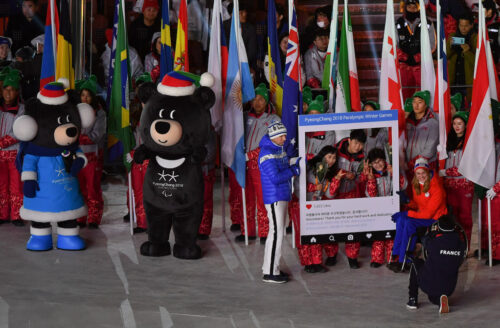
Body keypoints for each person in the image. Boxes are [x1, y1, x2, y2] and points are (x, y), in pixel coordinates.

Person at [234, 84, 280, 243]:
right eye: (254, 99)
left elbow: (273, 144)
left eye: (261, 99)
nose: (257, 102)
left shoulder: (273, 119)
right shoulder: (244, 116)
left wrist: (251, 156)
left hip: (262, 166)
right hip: (243, 165)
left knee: (262, 200)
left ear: (267, 101)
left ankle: (264, 232)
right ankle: (247, 231)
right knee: (245, 199)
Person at [291, 146, 345, 273]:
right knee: (303, 235)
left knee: (316, 234)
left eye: (334, 158)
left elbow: (330, 194)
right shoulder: (308, 167)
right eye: (329, 157)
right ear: (322, 155)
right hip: (299, 205)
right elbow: (297, 187)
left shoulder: (328, 173)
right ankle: (307, 263)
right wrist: (314, 187)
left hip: (316, 206)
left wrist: (336, 180)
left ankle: (317, 262)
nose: (331, 160)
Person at [259, 121, 300, 283]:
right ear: (274, 137)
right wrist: (293, 170)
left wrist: (292, 163)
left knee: (278, 233)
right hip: (275, 198)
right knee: (276, 234)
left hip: (280, 197)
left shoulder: (277, 149)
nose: (285, 138)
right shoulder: (266, 153)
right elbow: (275, 178)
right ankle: (270, 272)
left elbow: (281, 167)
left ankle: (271, 267)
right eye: (282, 136)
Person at [390, 158, 448, 271]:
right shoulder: (416, 184)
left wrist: (407, 212)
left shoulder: (436, 188)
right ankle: (396, 255)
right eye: (418, 173)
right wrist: (407, 201)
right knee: (401, 219)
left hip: (434, 217)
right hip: (423, 215)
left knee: (408, 222)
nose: (421, 176)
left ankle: (406, 258)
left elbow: (428, 214)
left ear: (427, 172)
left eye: (423, 173)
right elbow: (418, 206)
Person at [406, 214, 466, 314]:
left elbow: (424, 239)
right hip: (449, 287)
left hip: (430, 282)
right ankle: (441, 299)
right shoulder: (461, 245)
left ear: (439, 227)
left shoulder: (434, 242)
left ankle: (412, 300)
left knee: (416, 262)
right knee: (433, 297)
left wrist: (432, 233)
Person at [330, 129, 367, 269]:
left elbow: (362, 175)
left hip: (351, 192)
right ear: (349, 140)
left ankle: (352, 256)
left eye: (361, 144)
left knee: (353, 224)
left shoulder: (363, 156)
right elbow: (328, 167)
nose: (358, 147)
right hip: (335, 192)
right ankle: (332, 255)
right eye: (356, 143)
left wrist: (356, 177)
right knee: (331, 223)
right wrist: (344, 174)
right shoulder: (336, 149)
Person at [124, 74, 156, 233]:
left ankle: (153, 223)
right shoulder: (137, 113)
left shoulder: (157, 115)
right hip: (138, 162)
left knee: (152, 194)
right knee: (139, 192)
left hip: (152, 161)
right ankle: (142, 223)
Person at [75, 76, 106, 229]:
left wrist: (76, 137)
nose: (85, 98)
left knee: (93, 187)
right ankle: (81, 216)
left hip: (93, 157)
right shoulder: (76, 112)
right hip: (78, 156)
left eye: (88, 95)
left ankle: (94, 217)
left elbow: (96, 136)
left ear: (93, 96)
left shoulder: (99, 113)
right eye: (82, 95)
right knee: (79, 187)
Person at [440, 111, 473, 247]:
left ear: (465, 125)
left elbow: (466, 167)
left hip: (464, 186)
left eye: (460, 123)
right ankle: (453, 245)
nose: (457, 126)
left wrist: (445, 171)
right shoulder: (448, 140)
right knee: (452, 216)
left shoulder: (469, 142)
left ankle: (466, 246)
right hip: (449, 187)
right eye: (454, 123)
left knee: (465, 217)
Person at [396, 0, 436, 99]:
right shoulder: (398, 23)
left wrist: (417, 58)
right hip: (404, 65)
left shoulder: (427, 22)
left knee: (423, 93)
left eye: (415, 7)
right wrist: (405, 57)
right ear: (405, 8)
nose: (412, 10)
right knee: (405, 93)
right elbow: (394, 44)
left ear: (419, 8)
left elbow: (432, 45)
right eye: (410, 7)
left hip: (421, 64)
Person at [363, 148, 396, 267]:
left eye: (380, 161)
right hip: (377, 209)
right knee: (378, 235)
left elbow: (402, 186)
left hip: (392, 207)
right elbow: (371, 195)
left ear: (384, 160)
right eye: (374, 162)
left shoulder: (391, 171)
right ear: (371, 164)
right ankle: (377, 258)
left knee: (392, 234)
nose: (378, 165)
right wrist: (371, 180)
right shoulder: (371, 175)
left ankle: (392, 258)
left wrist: (395, 174)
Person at [0, 69, 24, 226]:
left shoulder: (22, 109)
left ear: (17, 92)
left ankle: (17, 215)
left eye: (12, 90)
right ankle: (2, 214)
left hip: (14, 153)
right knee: (1, 185)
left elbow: (19, 131)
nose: (8, 94)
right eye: (6, 90)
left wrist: (2, 142)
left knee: (16, 185)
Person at [405, 90, 439, 179]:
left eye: (419, 102)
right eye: (414, 102)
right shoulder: (408, 122)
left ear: (426, 104)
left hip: (424, 168)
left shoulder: (432, 123)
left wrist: (412, 163)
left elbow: (430, 149)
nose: (416, 105)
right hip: (407, 168)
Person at [447, 12, 477, 104]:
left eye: (466, 26)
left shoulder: (476, 38)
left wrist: (467, 51)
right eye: (461, 25)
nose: (463, 28)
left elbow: (478, 63)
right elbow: (445, 57)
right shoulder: (452, 36)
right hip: (454, 82)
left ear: (471, 25)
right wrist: (450, 45)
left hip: (468, 83)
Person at [481, 128, 500, 266]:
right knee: (494, 224)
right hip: (493, 190)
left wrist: (497, 187)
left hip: (496, 189)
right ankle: (495, 253)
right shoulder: (496, 141)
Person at [197, 127, 217, 240]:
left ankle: (204, 230)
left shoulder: (209, 130)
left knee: (206, 201)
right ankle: (194, 228)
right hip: (192, 172)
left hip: (205, 171)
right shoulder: (188, 128)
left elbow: (210, 153)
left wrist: (195, 160)